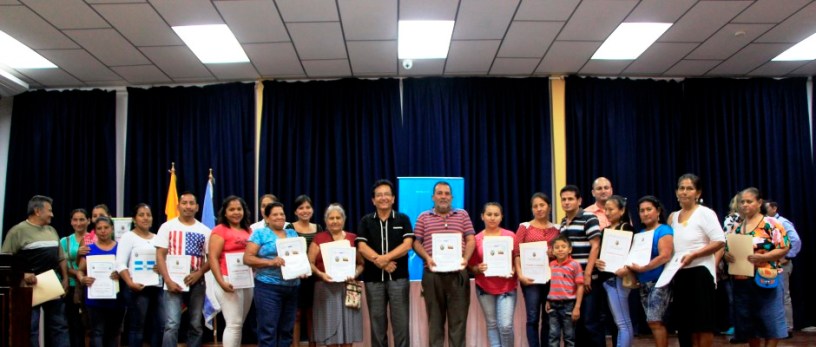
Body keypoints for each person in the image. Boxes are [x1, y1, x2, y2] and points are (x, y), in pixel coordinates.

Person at [413, 181, 476, 347]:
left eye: (447, 193)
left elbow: (470, 240)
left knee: (459, 322)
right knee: (435, 323)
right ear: (433, 197)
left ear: (452, 197)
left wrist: (466, 259)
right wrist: (427, 257)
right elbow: (416, 243)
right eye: (439, 193)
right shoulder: (423, 217)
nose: (443, 196)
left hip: (458, 274)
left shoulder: (463, 215)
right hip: (432, 275)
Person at [1, 195, 70, 347]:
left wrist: (64, 278)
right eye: (49, 211)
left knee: (60, 326)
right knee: (30, 328)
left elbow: (61, 257)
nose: (52, 214)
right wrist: (23, 275)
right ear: (38, 211)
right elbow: (6, 263)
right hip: (29, 289)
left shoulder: (52, 230)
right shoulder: (17, 232)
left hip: (52, 285)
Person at [725, 188, 789, 347]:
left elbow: (784, 246)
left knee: (770, 320)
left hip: (766, 277)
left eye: (749, 201)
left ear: (759, 203)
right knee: (749, 323)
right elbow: (728, 248)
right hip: (743, 279)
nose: (745, 205)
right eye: (742, 202)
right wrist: (728, 256)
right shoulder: (738, 226)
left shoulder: (771, 223)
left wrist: (765, 257)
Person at [668, 174, 725, 347]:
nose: (684, 192)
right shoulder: (673, 217)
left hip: (700, 272)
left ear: (698, 192)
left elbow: (719, 241)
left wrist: (694, 255)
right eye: (681, 188)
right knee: (685, 325)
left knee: (702, 324)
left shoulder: (705, 213)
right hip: (679, 274)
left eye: (690, 188)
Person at [355, 179, 414, 347]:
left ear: (393, 198)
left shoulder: (403, 219)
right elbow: (362, 246)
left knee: (401, 325)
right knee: (377, 325)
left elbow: (407, 245)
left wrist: (385, 258)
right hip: (374, 280)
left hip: (399, 279)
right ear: (373, 200)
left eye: (387, 194)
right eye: (379, 195)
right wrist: (380, 262)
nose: (383, 198)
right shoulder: (366, 221)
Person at [155, 192, 211, 347]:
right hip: (172, 282)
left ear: (197, 207)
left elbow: (211, 258)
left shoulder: (205, 230)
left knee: (196, 324)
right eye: (184, 203)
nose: (188, 206)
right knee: (172, 324)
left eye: (191, 203)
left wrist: (199, 273)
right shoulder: (167, 227)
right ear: (178, 206)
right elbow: (160, 255)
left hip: (197, 282)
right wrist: (167, 280)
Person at [244, 201, 302, 346]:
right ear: (267, 218)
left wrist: (303, 270)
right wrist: (270, 262)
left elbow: (298, 257)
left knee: (287, 330)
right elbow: (247, 258)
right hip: (268, 287)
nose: (279, 217)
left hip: (292, 287)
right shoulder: (260, 234)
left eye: (281, 214)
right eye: (275, 214)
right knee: (268, 330)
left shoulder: (292, 233)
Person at [308, 203, 364, 347]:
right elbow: (310, 263)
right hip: (325, 287)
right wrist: (321, 274)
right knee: (329, 330)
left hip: (348, 287)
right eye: (331, 218)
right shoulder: (319, 238)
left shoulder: (353, 238)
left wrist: (355, 273)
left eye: (338, 218)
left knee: (348, 329)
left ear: (343, 220)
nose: (334, 221)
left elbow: (361, 263)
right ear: (326, 221)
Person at [556, 185, 602, 347]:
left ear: (579, 200)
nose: (567, 202)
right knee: (577, 325)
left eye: (570, 199)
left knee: (591, 323)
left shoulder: (589, 218)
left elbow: (595, 245)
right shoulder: (562, 222)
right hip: (570, 283)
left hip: (588, 280)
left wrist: (588, 274)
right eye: (564, 199)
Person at [468, 202, 518, 347]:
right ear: (482, 216)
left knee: (506, 326)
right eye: (489, 214)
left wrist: (515, 268)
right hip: (484, 288)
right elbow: (471, 266)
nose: (492, 218)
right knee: (492, 324)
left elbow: (517, 258)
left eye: (496, 215)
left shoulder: (510, 236)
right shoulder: (476, 239)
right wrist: (477, 268)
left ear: (501, 217)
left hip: (507, 287)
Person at [514, 192, 560, 347]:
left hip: (551, 279)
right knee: (532, 318)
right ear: (532, 209)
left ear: (549, 207)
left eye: (542, 205)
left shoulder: (557, 229)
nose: (539, 209)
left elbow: (563, 252)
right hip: (530, 280)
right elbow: (517, 253)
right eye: (535, 206)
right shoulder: (524, 227)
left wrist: (555, 253)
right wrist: (520, 275)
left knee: (549, 317)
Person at [627, 196, 673, 347]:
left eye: (649, 209)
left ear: (658, 211)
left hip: (660, 281)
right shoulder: (641, 233)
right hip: (644, 283)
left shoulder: (664, 230)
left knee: (655, 321)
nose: (645, 213)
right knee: (652, 322)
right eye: (642, 211)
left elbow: (665, 255)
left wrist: (644, 268)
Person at [208, 196, 254, 347]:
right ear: (225, 213)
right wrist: (221, 282)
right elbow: (213, 258)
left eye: (239, 209)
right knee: (233, 323)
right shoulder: (219, 230)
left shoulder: (249, 230)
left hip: (247, 280)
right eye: (232, 209)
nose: (236, 212)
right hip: (227, 279)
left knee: (239, 323)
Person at [116, 204, 164, 347]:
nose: (145, 218)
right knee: (137, 328)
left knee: (160, 325)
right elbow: (120, 264)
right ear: (134, 219)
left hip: (157, 287)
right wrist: (130, 283)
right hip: (137, 288)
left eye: (148, 215)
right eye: (141, 214)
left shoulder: (157, 238)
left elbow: (164, 261)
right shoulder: (128, 237)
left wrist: (161, 267)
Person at [77, 216, 125, 347]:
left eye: (106, 227)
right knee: (97, 332)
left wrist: (121, 274)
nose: (103, 231)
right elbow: (80, 270)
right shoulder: (89, 249)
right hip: (94, 299)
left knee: (114, 333)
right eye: (99, 228)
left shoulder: (121, 248)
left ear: (112, 229)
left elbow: (128, 271)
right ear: (95, 231)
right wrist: (82, 278)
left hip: (116, 299)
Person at [595, 195, 635, 347]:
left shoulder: (626, 228)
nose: (607, 212)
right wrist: (599, 261)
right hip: (606, 278)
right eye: (606, 209)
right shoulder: (605, 230)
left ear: (622, 210)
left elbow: (633, 252)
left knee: (622, 322)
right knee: (621, 322)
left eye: (611, 209)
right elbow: (603, 254)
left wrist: (626, 267)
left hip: (618, 279)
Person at [285, 194, 324, 347]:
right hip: (296, 277)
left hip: (314, 277)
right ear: (295, 211)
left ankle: (312, 345)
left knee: (312, 314)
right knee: (296, 314)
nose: (305, 211)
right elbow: (287, 252)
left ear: (313, 210)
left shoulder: (319, 228)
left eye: (308, 207)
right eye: (301, 208)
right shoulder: (290, 228)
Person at [765, 200, 800, 336]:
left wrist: (788, 256)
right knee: (773, 295)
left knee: (784, 295)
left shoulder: (783, 222)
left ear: (774, 208)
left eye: (767, 208)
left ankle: (787, 327)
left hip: (782, 264)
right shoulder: (766, 223)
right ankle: (776, 326)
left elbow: (795, 240)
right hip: (770, 264)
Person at [546, 235, 584, 347]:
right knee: (553, 336)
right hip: (553, 305)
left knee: (569, 336)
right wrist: (548, 299)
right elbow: (550, 285)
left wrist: (577, 307)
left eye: (563, 246)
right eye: (557, 247)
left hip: (568, 305)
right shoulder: (551, 265)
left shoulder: (575, 265)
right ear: (552, 251)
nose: (560, 249)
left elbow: (580, 286)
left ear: (570, 249)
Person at [60, 208, 91, 347]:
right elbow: (61, 264)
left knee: (90, 325)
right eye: (75, 219)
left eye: (82, 219)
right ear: (71, 222)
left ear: (88, 221)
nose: (78, 223)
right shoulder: (64, 241)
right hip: (72, 287)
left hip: (91, 286)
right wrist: (77, 273)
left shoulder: (94, 238)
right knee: (74, 325)